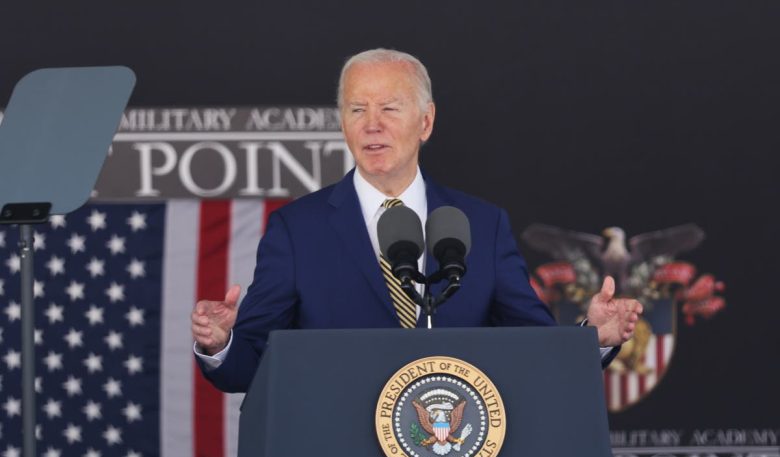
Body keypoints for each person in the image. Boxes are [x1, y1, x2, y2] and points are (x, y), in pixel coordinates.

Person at [191, 48, 642, 393]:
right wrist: (221, 344)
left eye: (389, 108)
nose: (372, 125)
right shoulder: (297, 230)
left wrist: (593, 338)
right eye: (356, 109)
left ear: (425, 122)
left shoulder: (481, 225)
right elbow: (249, 365)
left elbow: (533, 350)